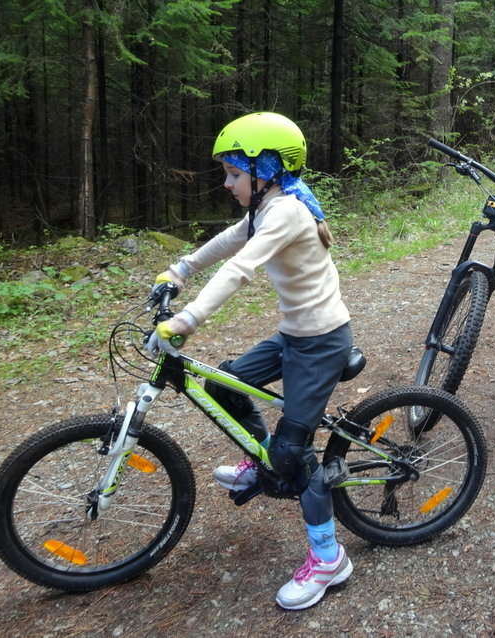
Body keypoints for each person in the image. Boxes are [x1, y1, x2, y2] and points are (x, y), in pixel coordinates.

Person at [147, 111, 354, 611]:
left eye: (234, 173)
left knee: (293, 456)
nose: (227, 182)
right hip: (294, 336)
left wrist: (187, 319)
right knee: (222, 384)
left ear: (267, 171)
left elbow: (241, 268)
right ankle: (259, 456)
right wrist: (180, 269)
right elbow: (227, 242)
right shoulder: (268, 205)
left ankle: (329, 560)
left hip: (322, 343)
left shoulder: (285, 212)